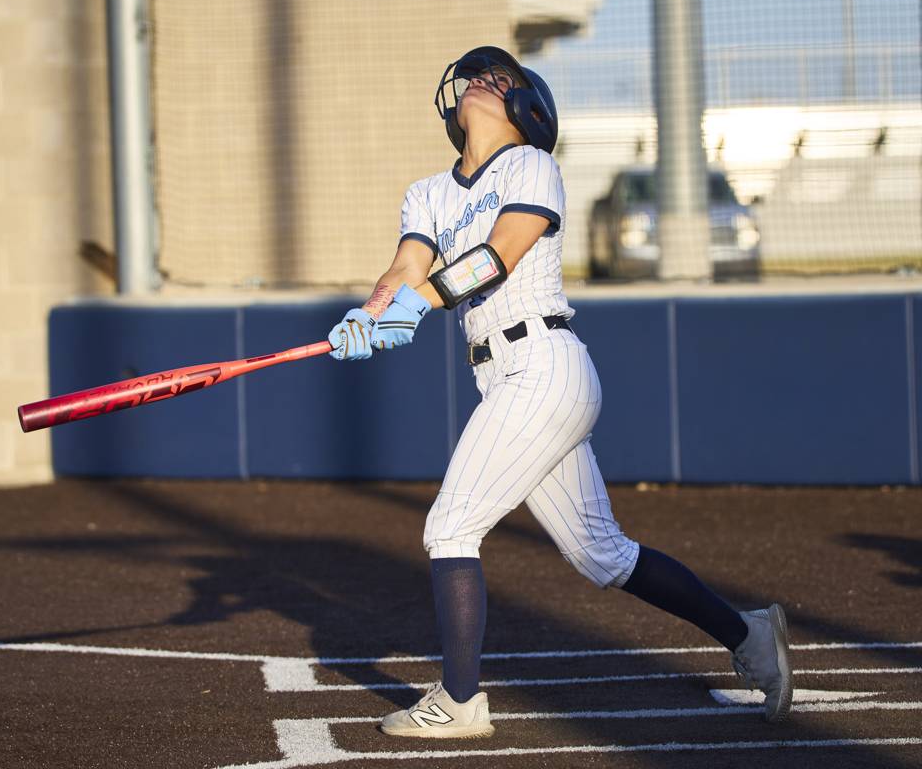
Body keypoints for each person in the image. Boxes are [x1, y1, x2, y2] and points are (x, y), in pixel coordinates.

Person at [326, 46, 793, 739]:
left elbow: (496, 257)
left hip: (544, 364)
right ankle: (750, 635)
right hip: (503, 377)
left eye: (499, 78)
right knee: (603, 554)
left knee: (451, 527)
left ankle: (459, 703)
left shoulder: (531, 166)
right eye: (475, 76)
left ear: (527, 107)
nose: (480, 82)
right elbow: (405, 267)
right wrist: (371, 313)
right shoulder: (428, 192)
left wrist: (418, 305)